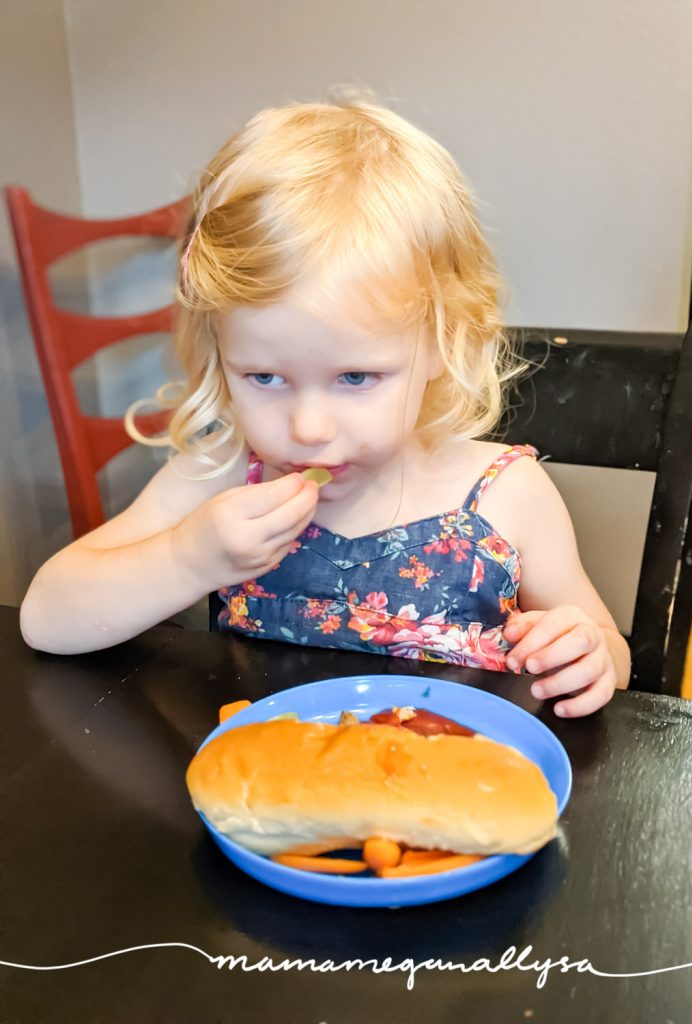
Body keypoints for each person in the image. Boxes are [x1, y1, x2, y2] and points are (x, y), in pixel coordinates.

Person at [20, 94, 630, 717]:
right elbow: (46, 618)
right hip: (277, 791)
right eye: (264, 377)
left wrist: (589, 654)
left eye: (356, 377)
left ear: (443, 344)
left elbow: (608, 646)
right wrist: (187, 559)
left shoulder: (508, 495)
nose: (309, 429)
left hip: (446, 787)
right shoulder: (223, 477)